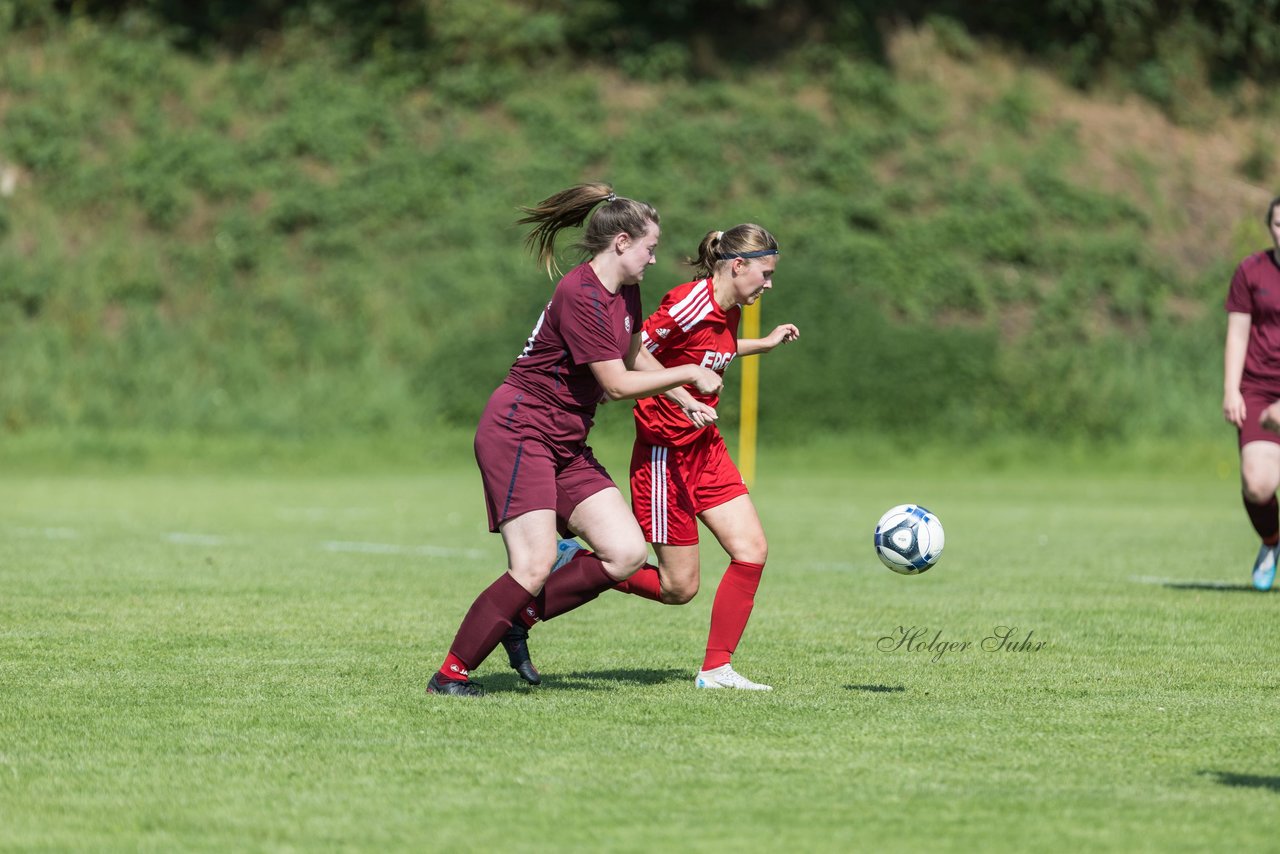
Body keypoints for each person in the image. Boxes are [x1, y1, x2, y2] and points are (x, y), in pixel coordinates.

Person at [426, 183, 723, 697]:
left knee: (626, 553)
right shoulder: (580, 294)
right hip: (519, 431)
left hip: (564, 441)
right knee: (534, 564)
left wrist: (683, 396)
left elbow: (633, 358)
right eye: (651, 248)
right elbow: (613, 384)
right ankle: (449, 676)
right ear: (623, 242)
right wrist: (690, 372)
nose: (654, 259)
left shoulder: (625, 289)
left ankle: (519, 618)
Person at [508, 223, 798, 690]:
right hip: (666, 457)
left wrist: (760, 345)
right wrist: (674, 394)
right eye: (764, 274)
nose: (768, 284)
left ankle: (717, 670)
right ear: (737, 265)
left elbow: (709, 352)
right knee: (677, 588)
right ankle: (569, 570)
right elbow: (635, 350)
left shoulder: (729, 307)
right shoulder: (688, 303)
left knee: (752, 552)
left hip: (706, 450)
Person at [1224, 194, 1280, 592]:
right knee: (1258, 484)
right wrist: (1231, 389)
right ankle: (1272, 542)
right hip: (1259, 387)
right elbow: (1238, 332)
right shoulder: (1251, 271)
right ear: (1270, 227)